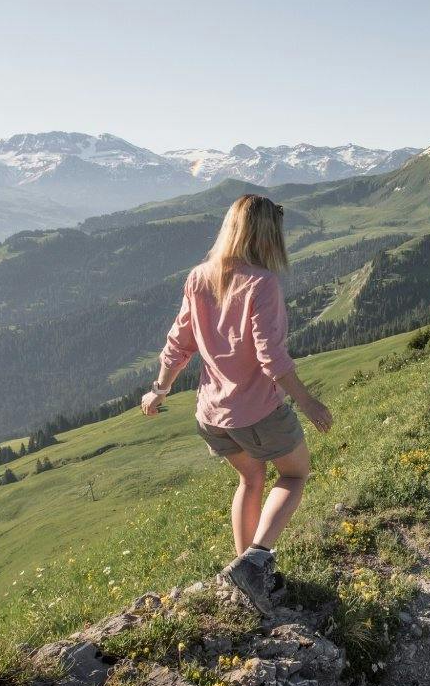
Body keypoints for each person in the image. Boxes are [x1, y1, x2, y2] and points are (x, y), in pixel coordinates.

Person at [142, 193, 333, 614]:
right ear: (266, 235)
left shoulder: (199, 277)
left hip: (212, 414)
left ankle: (246, 575)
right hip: (258, 411)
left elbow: (179, 343)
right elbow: (271, 357)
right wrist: (308, 402)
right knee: (295, 474)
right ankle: (256, 561)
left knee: (250, 479)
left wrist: (159, 389)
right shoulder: (262, 283)